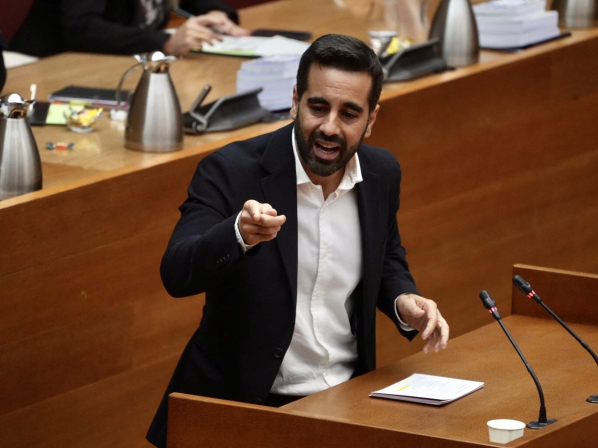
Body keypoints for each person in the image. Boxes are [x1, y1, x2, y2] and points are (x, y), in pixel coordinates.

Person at [146, 34, 449, 448]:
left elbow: (386, 256)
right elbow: (177, 272)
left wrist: (402, 299)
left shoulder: (381, 173)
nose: (329, 127)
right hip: (244, 410)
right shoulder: (232, 170)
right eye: (318, 107)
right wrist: (237, 234)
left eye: (349, 114)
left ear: (371, 119)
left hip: (345, 402)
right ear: (295, 101)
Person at [9, 0, 249, 58]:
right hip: (47, 65)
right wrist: (164, 43)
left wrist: (216, 14)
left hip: (115, 61)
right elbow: (82, 28)